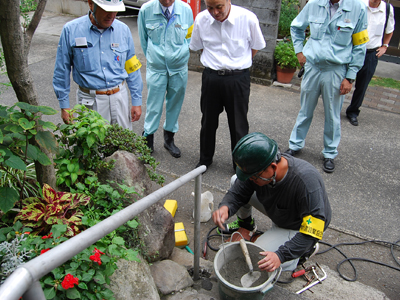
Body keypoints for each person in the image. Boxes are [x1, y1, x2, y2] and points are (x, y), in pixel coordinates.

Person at [212, 132, 332, 272]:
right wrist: (226, 207)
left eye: (254, 177)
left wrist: (280, 256)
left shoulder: (306, 182)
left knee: (260, 260)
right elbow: (238, 190)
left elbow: (312, 232)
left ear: (273, 168)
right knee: (235, 181)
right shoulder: (261, 171)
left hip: (297, 226)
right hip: (280, 209)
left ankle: (302, 253)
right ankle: (246, 224)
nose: (251, 179)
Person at [285, 0, 369, 173]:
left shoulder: (358, 8)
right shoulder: (315, 4)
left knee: (332, 115)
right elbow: (296, 26)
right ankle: (295, 144)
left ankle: (330, 153)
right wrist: (299, 51)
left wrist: (350, 76)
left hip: (336, 70)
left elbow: (360, 45)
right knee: (305, 110)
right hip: (313, 67)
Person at [189, 0, 266, 171]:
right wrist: (215, 63)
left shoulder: (247, 18)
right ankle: (204, 160)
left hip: (237, 79)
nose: (215, 12)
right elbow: (198, 46)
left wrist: (237, 63)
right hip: (211, 77)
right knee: (208, 121)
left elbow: (255, 47)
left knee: (239, 124)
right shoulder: (201, 19)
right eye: (210, 7)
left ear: (228, 1)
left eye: (219, 7)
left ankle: (239, 164)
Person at [53, 0, 143, 130]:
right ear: (91, 4)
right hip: (90, 102)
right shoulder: (71, 30)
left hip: (120, 99)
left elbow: (132, 66)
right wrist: (64, 105)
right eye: (106, 9)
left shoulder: (123, 30)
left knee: (123, 146)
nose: (112, 15)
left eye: (115, 10)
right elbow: (62, 70)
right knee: (94, 147)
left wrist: (137, 101)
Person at [138, 0, 193, 157]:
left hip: (178, 68)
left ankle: (169, 139)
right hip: (157, 68)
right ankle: (147, 138)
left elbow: (189, 37)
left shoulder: (186, 10)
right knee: (154, 104)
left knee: (175, 103)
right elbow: (143, 39)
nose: (167, 1)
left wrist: (181, 55)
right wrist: (153, 57)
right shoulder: (146, 10)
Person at [346, 0, 395, 126]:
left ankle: (353, 112)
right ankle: (334, 109)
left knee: (362, 85)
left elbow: (390, 30)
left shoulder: (387, 9)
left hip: (371, 53)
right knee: (343, 79)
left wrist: (385, 46)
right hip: (353, 50)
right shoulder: (359, 4)